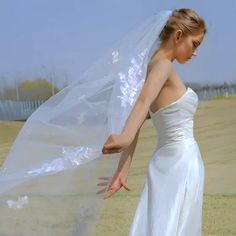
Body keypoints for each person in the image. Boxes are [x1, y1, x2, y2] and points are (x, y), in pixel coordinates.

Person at [99, 8, 207, 235]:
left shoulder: (152, 67)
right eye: (194, 44)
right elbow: (142, 102)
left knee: (162, 225)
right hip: (181, 161)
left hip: (165, 163)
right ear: (177, 36)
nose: (195, 52)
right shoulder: (164, 66)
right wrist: (125, 136)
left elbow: (138, 116)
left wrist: (123, 169)